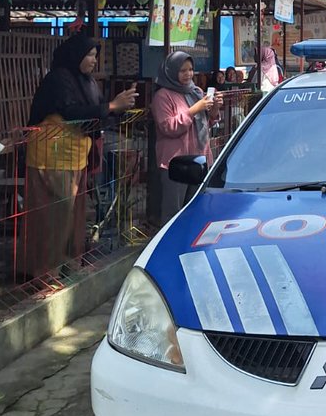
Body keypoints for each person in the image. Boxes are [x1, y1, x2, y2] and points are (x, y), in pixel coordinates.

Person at [21, 35, 137, 280]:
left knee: (72, 217)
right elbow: (72, 112)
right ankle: (44, 273)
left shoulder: (87, 82)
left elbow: (96, 113)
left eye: (95, 55)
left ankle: (68, 264)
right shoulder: (58, 80)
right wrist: (111, 106)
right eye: (90, 55)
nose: (94, 60)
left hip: (75, 157)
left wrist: (118, 108)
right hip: (51, 157)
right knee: (53, 216)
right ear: (76, 56)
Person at [150, 51, 219, 226]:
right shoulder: (162, 96)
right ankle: (170, 241)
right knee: (174, 212)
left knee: (195, 209)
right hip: (176, 163)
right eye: (182, 70)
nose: (188, 74)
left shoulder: (195, 92)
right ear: (171, 72)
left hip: (199, 159)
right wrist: (194, 109)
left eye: (190, 69)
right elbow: (168, 127)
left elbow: (205, 124)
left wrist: (214, 109)